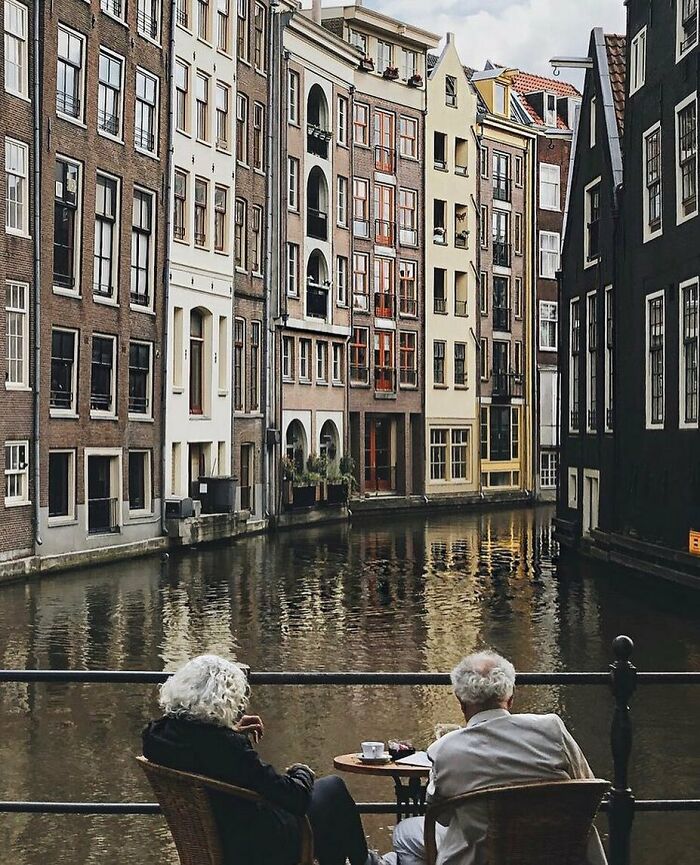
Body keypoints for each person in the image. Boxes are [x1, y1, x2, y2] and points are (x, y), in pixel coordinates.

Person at [142, 655, 387, 865]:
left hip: (214, 836)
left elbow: (200, 749)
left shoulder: (157, 735)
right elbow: (295, 798)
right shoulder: (227, 747)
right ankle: (365, 862)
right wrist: (302, 772)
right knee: (333, 789)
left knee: (327, 812)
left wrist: (228, 730)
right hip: (253, 845)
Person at [392, 651, 608, 865]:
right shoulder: (552, 729)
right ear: (510, 697)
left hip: (484, 856)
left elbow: (442, 816)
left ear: (461, 702)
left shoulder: (446, 749)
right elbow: (586, 786)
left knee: (405, 832)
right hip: (558, 851)